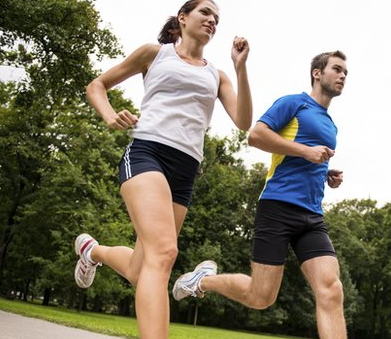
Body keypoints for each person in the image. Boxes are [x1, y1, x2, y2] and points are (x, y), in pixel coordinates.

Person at [73, 0, 252, 338]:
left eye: (217, 18)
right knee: (165, 252)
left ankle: (91, 251)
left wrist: (240, 67)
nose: (212, 20)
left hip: (185, 170)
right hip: (147, 154)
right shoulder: (155, 54)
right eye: (205, 13)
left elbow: (243, 122)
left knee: (142, 270)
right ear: (182, 18)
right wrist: (110, 115)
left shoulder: (218, 75)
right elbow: (96, 85)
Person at [173, 50, 348, 339]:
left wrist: (325, 172)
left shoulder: (331, 124)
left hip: (312, 215)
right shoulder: (294, 103)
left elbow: (307, 158)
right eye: (337, 69)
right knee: (261, 296)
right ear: (318, 73)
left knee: (331, 289)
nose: (343, 76)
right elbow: (255, 136)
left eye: (345, 73)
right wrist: (307, 152)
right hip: (278, 207)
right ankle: (203, 281)